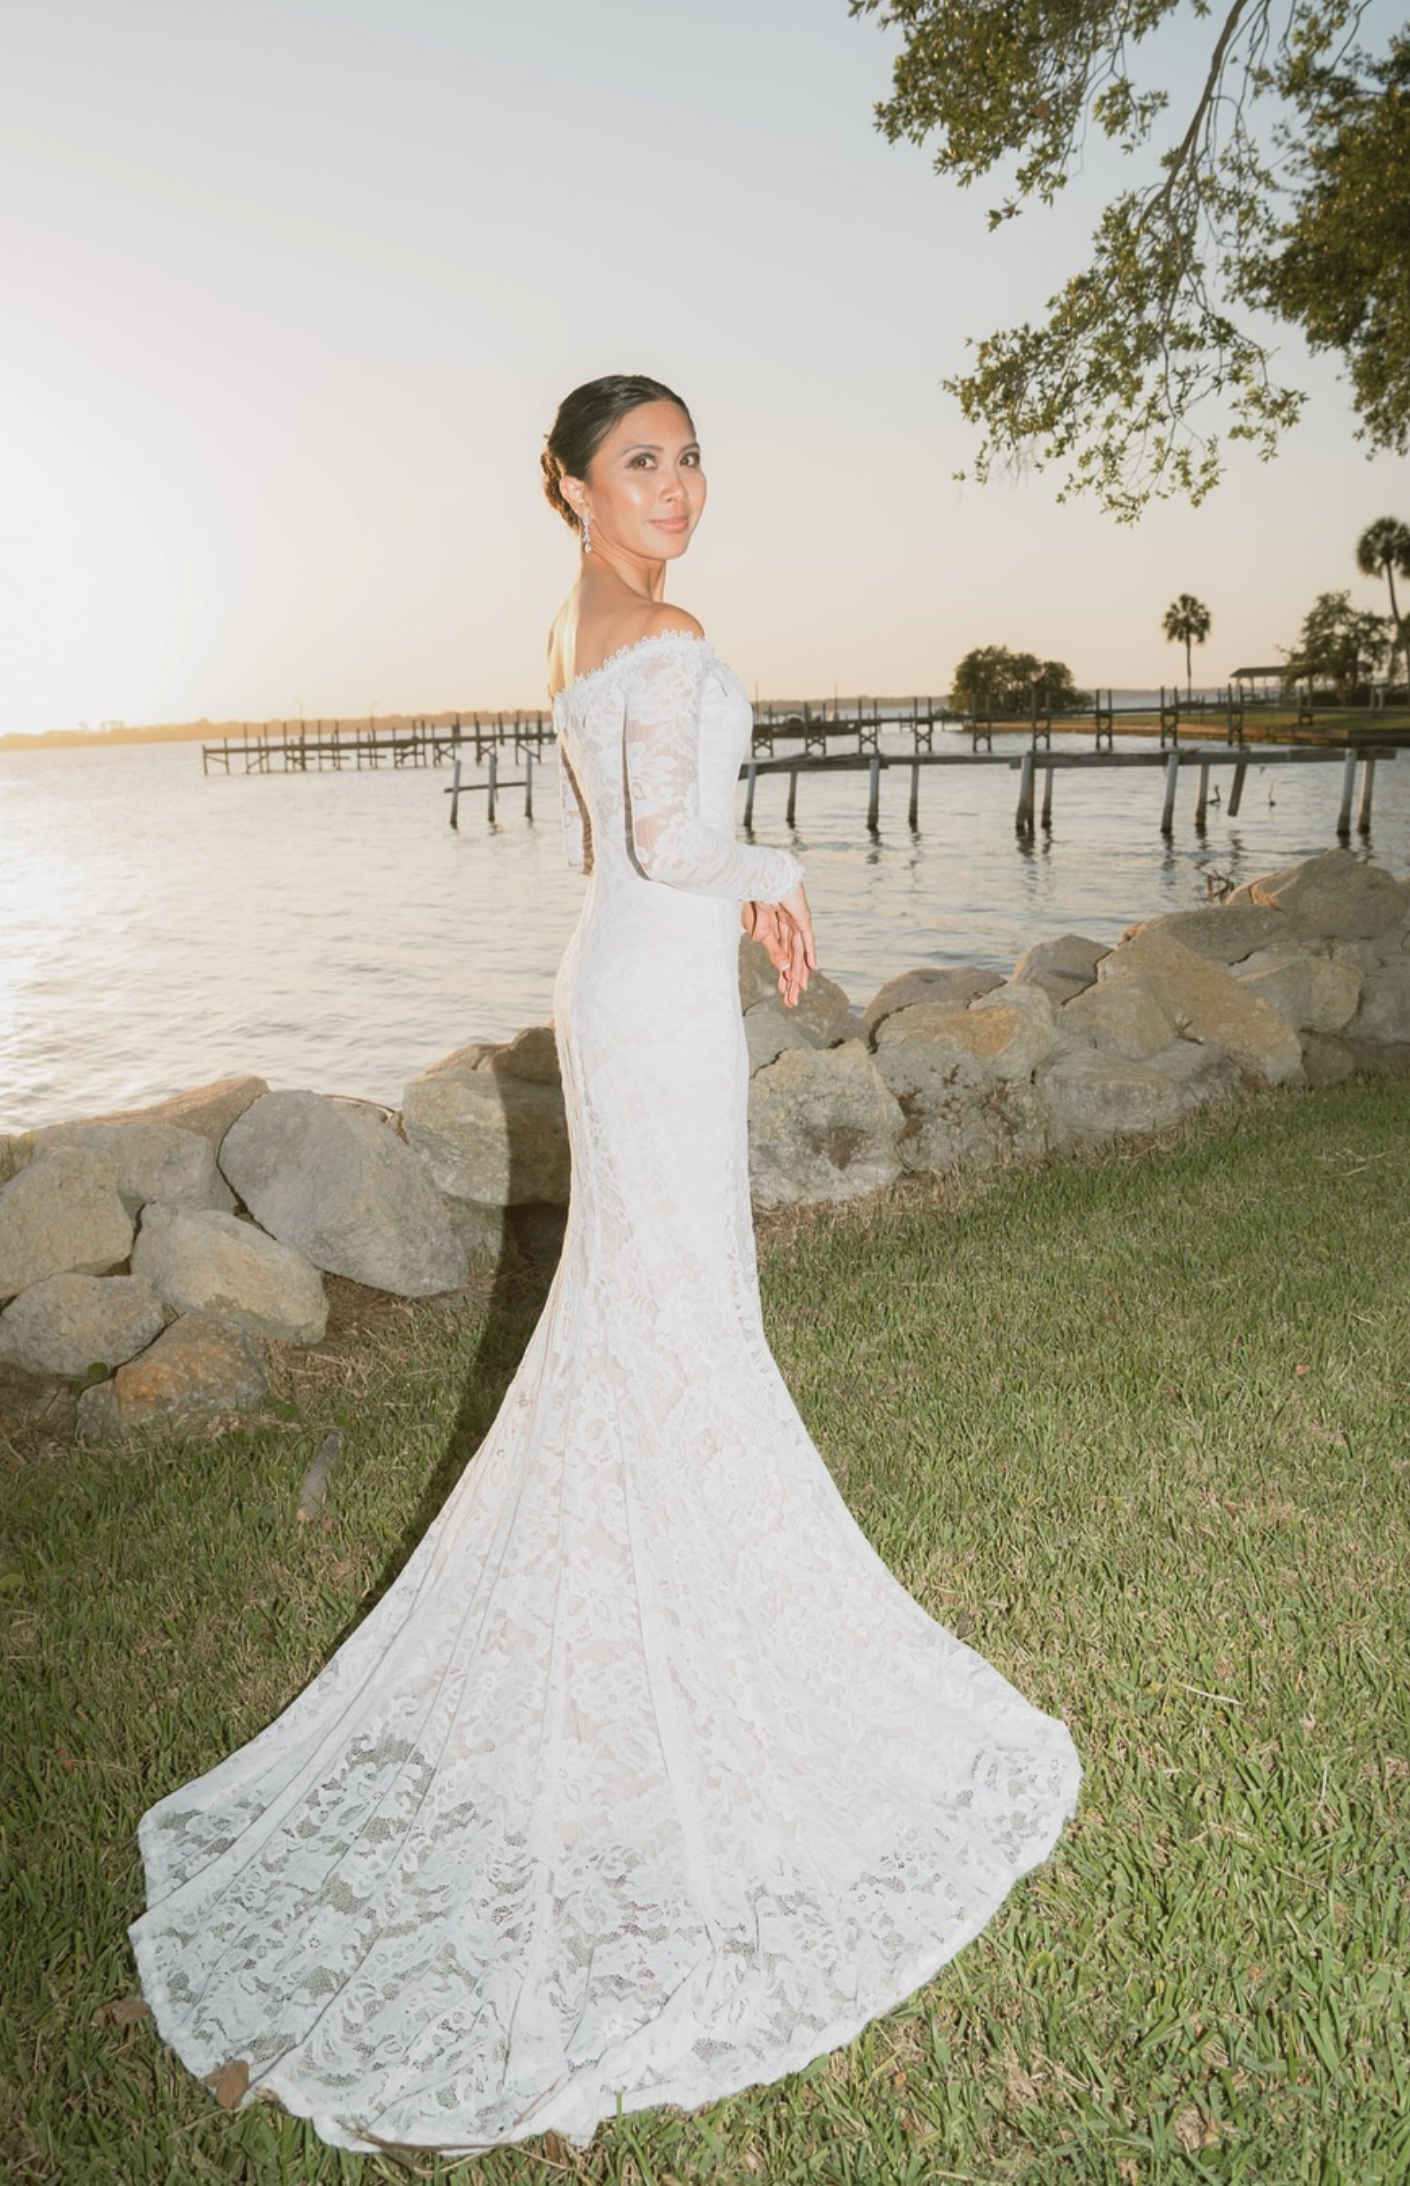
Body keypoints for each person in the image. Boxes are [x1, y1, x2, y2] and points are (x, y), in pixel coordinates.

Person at [129, 374, 1081, 2159]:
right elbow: (666, 841)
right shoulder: (663, 630)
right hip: (651, 998)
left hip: (618, 977)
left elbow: (619, 844)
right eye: (641, 461)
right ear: (569, 483)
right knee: (678, 1315)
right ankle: (679, 1662)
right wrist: (777, 863)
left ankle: (634, 1639)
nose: (678, 484)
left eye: (690, 456)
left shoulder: (571, 626)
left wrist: (730, 882)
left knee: (641, 1316)